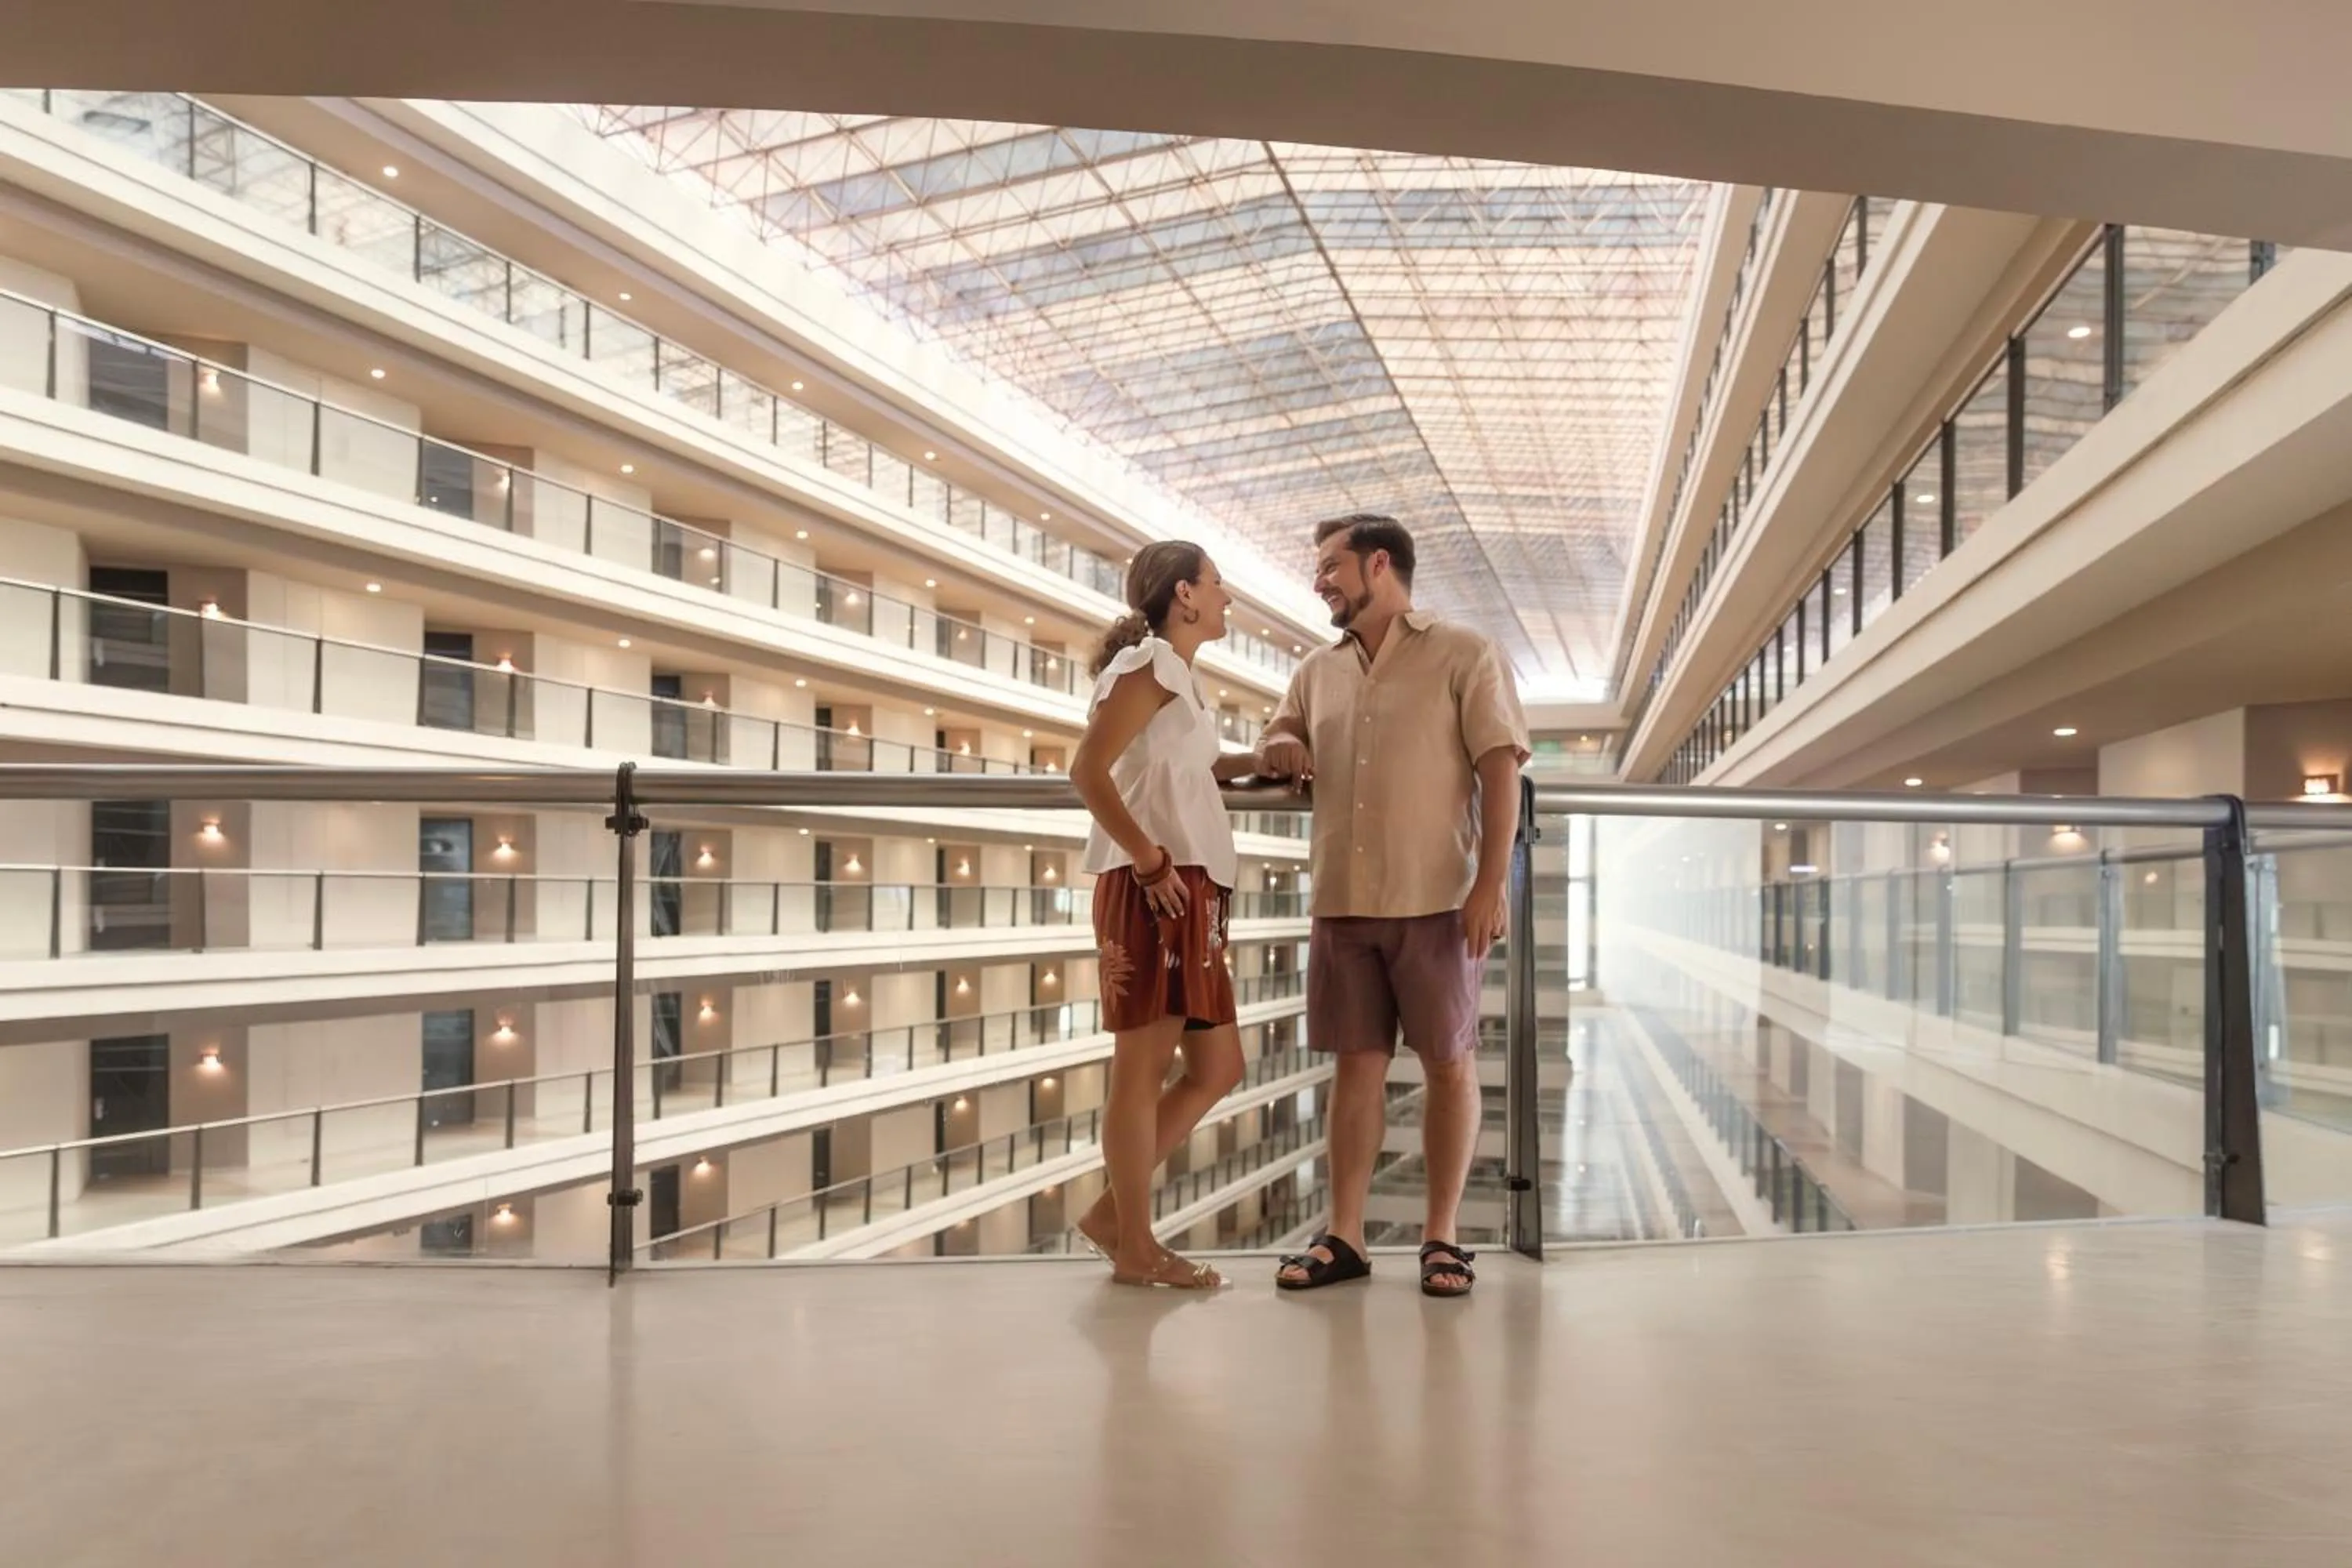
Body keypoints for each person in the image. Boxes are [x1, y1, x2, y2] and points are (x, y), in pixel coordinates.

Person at [1259, 514, 1527, 1299]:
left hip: (1440, 898)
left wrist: (1491, 882)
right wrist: (1280, 741)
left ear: (1381, 565)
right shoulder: (1316, 669)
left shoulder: (1465, 651)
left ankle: (1441, 1236)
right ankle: (1345, 1234)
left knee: (1448, 1065)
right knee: (1357, 1068)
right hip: (1343, 898)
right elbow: (1282, 731)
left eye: (1330, 566)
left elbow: (1500, 768)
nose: (1319, 581)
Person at [1069, 540, 1262, 1289]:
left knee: (1221, 1065)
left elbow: (1183, 767)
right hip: (1156, 884)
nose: (1227, 597)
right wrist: (1149, 860)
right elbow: (1088, 769)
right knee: (1140, 1073)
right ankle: (1135, 1248)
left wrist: (1254, 764)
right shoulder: (1147, 665)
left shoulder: (1175, 674)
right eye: (1216, 585)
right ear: (1183, 594)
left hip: (1191, 890)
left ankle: (1116, 1217)